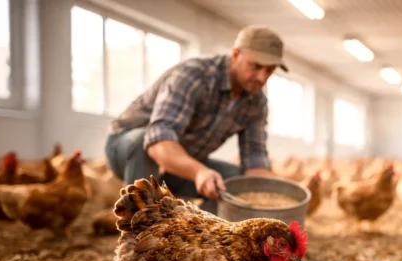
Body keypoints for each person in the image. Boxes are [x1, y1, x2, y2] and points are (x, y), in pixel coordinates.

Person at [105, 25, 285, 213]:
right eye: (256, 66)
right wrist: (199, 171)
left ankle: (201, 234)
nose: (262, 77)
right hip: (129, 151)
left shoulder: (256, 101)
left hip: (182, 161)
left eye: (270, 70)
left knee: (241, 183)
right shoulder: (195, 75)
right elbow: (158, 141)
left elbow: (255, 161)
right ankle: (140, 228)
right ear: (236, 54)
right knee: (142, 139)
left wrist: (282, 190)